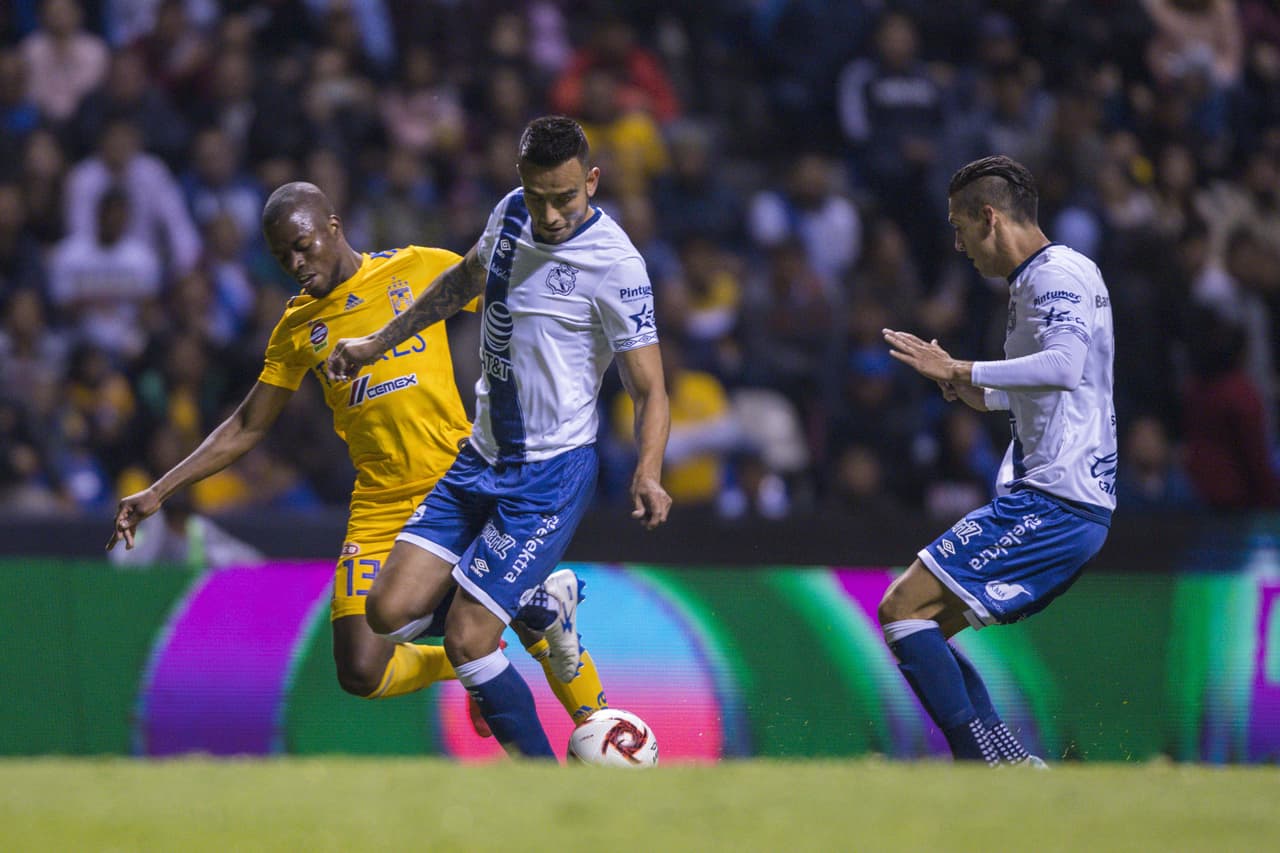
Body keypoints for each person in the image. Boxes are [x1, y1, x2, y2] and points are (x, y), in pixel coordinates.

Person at [108, 180, 610, 734]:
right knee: (360, 667)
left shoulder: (418, 268)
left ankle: (601, 721)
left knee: (527, 609)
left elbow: (515, 301)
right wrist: (159, 490)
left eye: (303, 245)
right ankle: (466, 664)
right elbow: (249, 424)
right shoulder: (298, 328)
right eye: (282, 256)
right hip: (381, 501)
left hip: (460, 480)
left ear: (333, 226)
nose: (297, 263)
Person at [325, 115, 672, 758]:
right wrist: (377, 343)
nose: (551, 214)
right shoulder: (511, 213)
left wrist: (648, 471)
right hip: (479, 456)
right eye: (537, 195)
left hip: (549, 475)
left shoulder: (617, 265)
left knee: (467, 637)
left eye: (564, 198)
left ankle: (540, 789)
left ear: (591, 182)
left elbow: (650, 387)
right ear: (520, 181)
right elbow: (463, 281)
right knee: (386, 614)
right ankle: (537, 606)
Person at [880, 155, 1116, 766]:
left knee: (901, 608)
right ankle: (1006, 764)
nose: (957, 245)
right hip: (1057, 500)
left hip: (1057, 500)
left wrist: (960, 368)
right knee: (921, 624)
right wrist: (971, 390)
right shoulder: (1035, 281)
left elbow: (1063, 367)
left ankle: (984, 768)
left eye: (959, 227)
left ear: (990, 217)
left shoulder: (1055, 273)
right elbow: (1050, 383)